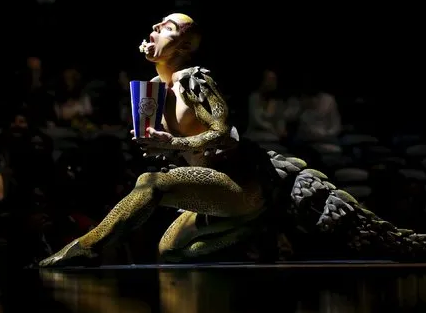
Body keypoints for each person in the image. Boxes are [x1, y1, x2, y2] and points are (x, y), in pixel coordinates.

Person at [39, 14, 274, 266]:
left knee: (151, 182)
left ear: (184, 47)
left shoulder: (194, 81)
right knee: (170, 251)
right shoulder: (155, 89)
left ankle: (87, 245)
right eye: (159, 25)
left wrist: (172, 144)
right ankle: (247, 233)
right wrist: (161, 145)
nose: (156, 28)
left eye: (168, 28)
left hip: (237, 183)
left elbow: (221, 131)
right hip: (207, 186)